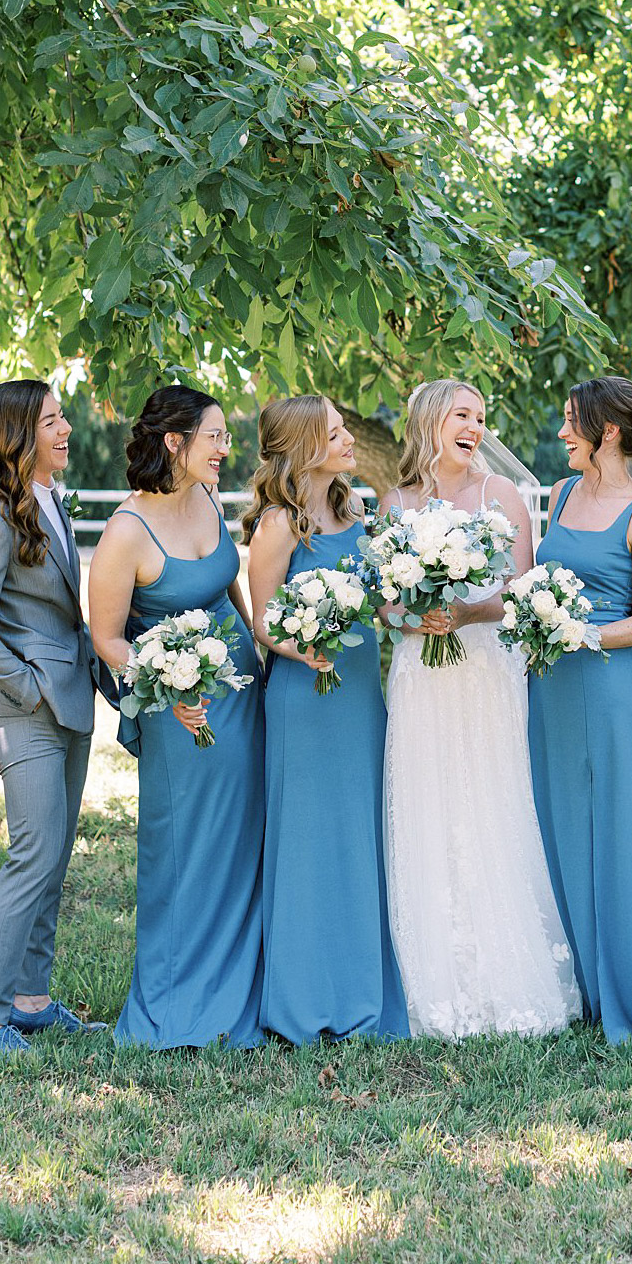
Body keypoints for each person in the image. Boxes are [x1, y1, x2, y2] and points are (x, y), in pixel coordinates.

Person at [380, 379, 579, 1039]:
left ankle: (506, 966)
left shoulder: (505, 497)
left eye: (480, 417)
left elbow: (520, 587)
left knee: (492, 797)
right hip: (423, 668)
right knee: (429, 800)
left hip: (489, 663)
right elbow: (384, 601)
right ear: (431, 421)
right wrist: (416, 614)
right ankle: (428, 973)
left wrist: (468, 610)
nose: (474, 425)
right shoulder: (398, 501)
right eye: (462, 414)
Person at [88, 385, 264, 1049]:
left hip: (241, 698)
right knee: (184, 850)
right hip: (176, 711)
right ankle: (174, 1000)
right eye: (214, 435)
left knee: (242, 842)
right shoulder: (126, 530)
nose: (225, 447)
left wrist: (260, 645)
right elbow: (106, 636)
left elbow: (229, 584)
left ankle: (238, 991)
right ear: (175, 442)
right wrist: (165, 686)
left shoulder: (212, 500)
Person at [529, 377, 632, 1049]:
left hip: (608, 683)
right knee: (565, 828)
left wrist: (582, 633)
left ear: (609, 433)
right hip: (552, 689)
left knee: (619, 836)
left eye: (572, 423)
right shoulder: (564, 495)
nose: (563, 433)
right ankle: (593, 991)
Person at [0, 381, 106, 1064]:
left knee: (55, 858)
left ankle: (32, 1002)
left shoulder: (46, 500)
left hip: (73, 701)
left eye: (61, 417)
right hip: (28, 710)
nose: (66, 428)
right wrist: (29, 684)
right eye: (51, 420)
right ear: (17, 434)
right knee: (31, 856)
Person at [246, 395, 407, 1043]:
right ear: (307, 445)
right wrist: (301, 643)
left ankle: (359, 989)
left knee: (356, 834)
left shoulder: (356, 511)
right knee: (307, 841)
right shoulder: (279, 526)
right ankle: (303, 998)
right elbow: (262, 619)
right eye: (336, 433)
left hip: (359, 693)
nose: (348, 441)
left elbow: (381, 599)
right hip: (305, 695)